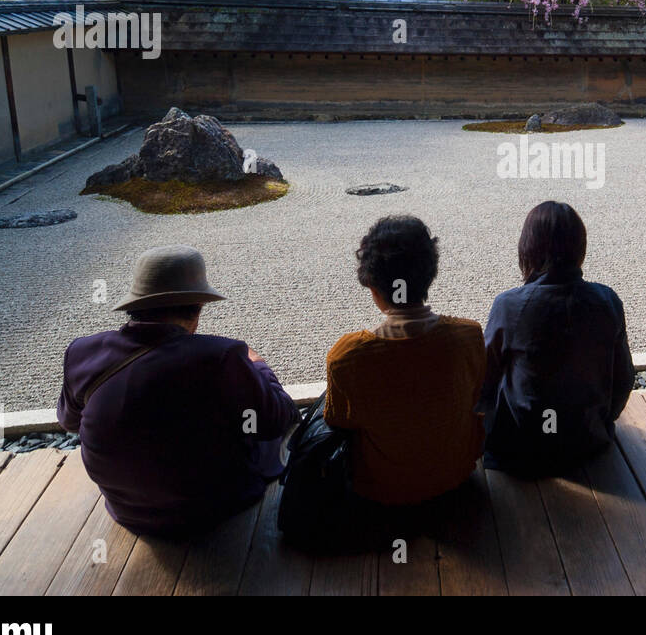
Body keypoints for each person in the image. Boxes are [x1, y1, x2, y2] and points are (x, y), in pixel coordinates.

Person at [57, 245, 297, 537]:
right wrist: (259, 367)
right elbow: (277, 419)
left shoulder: (82, 351)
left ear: (135, 306)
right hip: (211, 506)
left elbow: (70, 422)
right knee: (271, 431)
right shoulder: (221, 356)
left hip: (127, 508)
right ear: (197, 308)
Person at [322, 215, 485, 517]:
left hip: (383, 490)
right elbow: (473, 396)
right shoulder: (468, 336)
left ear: (371, 285)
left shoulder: (347, 357)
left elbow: (337, 420)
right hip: (456, 476)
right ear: (429, 275)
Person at [481, 201, 634, 477]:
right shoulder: (607, 300)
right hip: (588, 441)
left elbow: (484, 379)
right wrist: (601, 421)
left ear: (528, 249)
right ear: (580, 247)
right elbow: (624, 378)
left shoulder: (510, 305)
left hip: (521, 448)